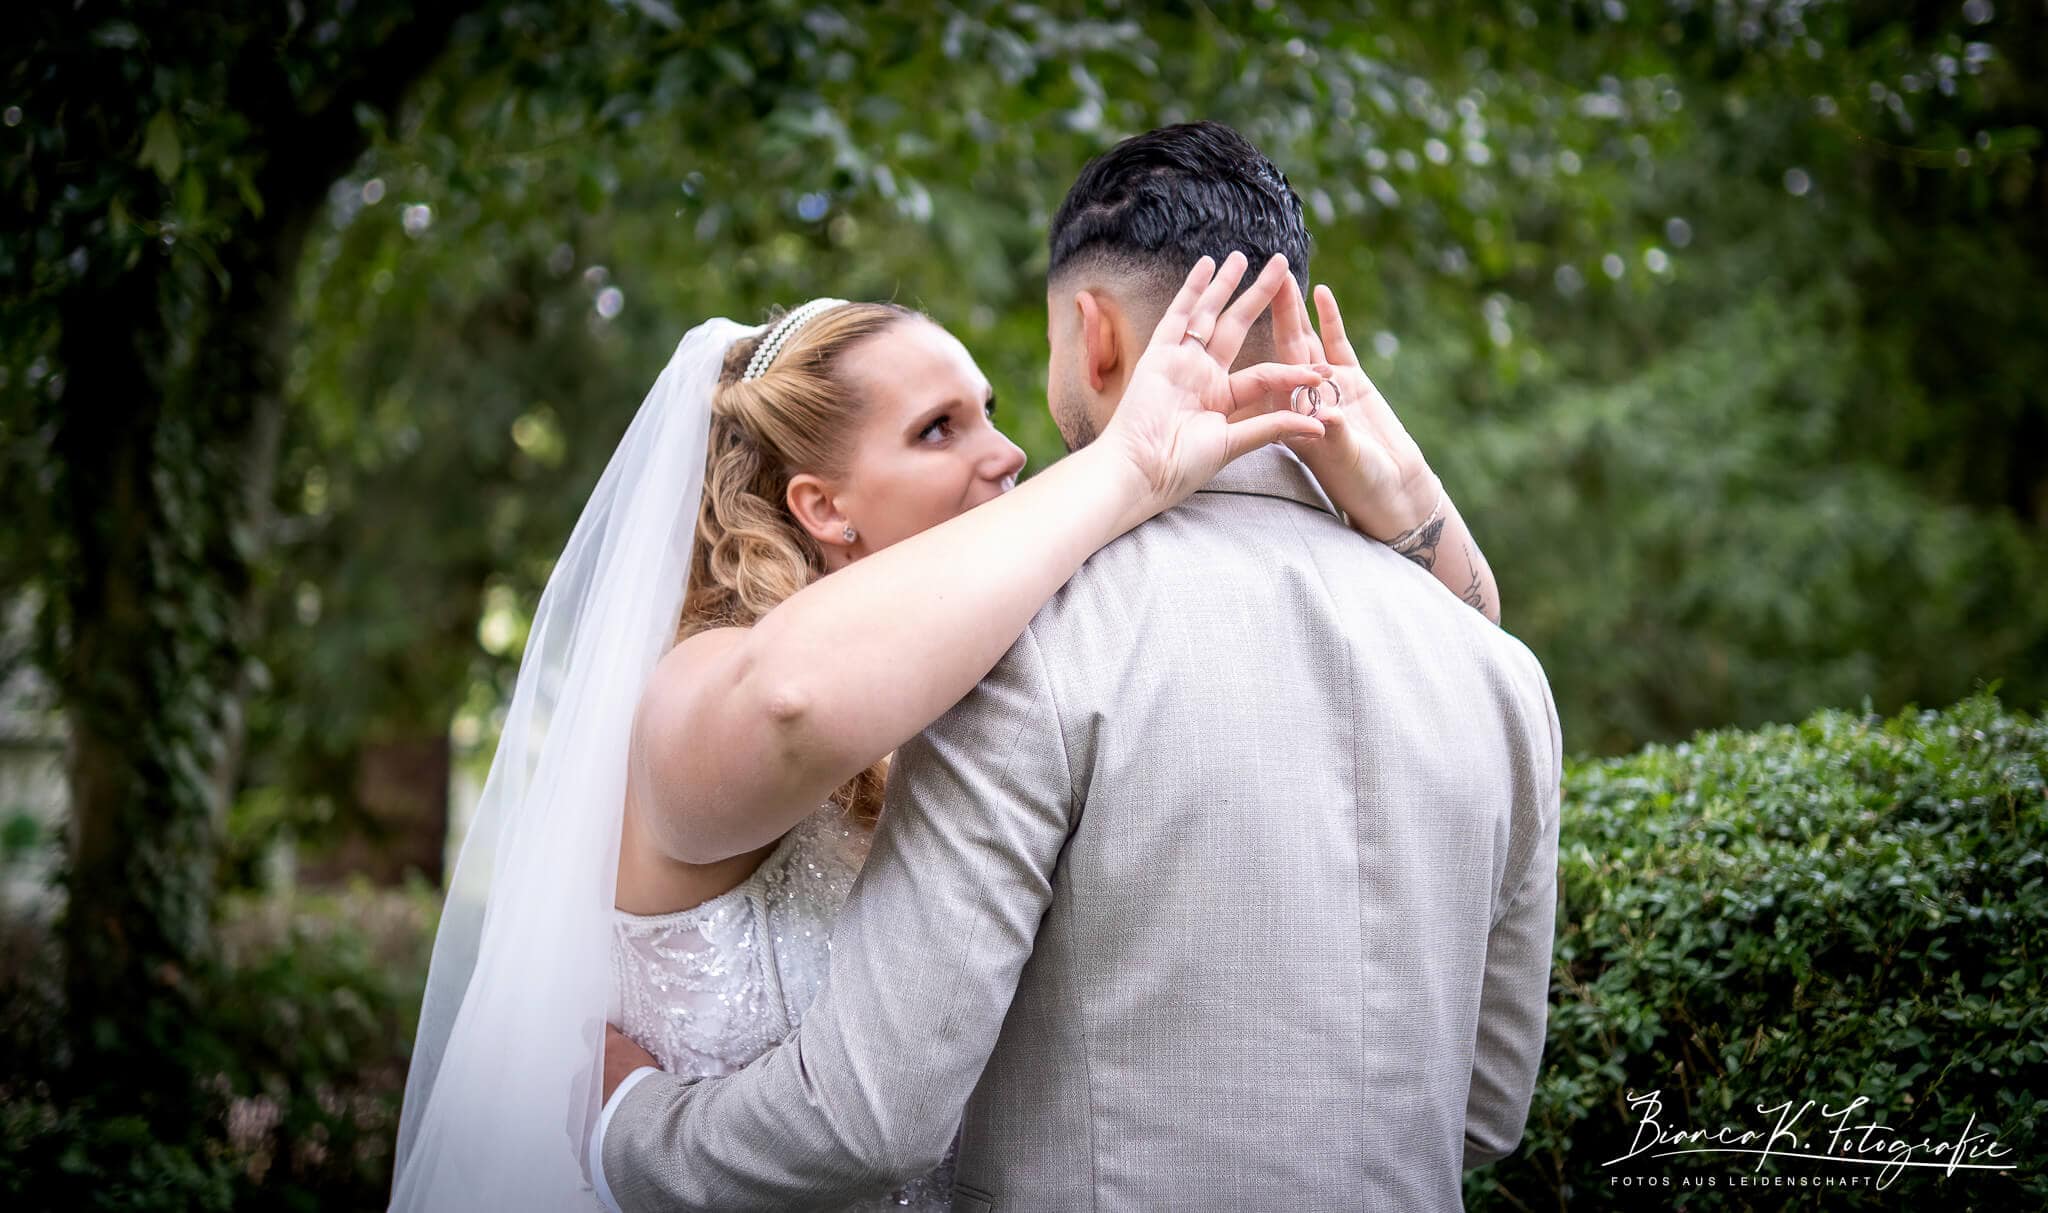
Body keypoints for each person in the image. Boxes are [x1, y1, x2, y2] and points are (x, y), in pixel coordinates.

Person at [388, 182, 1497, 1206]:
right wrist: (1121, 469)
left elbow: (1478, 672)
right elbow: (791, 700)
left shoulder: (970, 684)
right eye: (938, 429)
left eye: (989, 408)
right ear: (822, 507)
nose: (1008, 452)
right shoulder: (698, 687)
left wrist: (1405, 498)